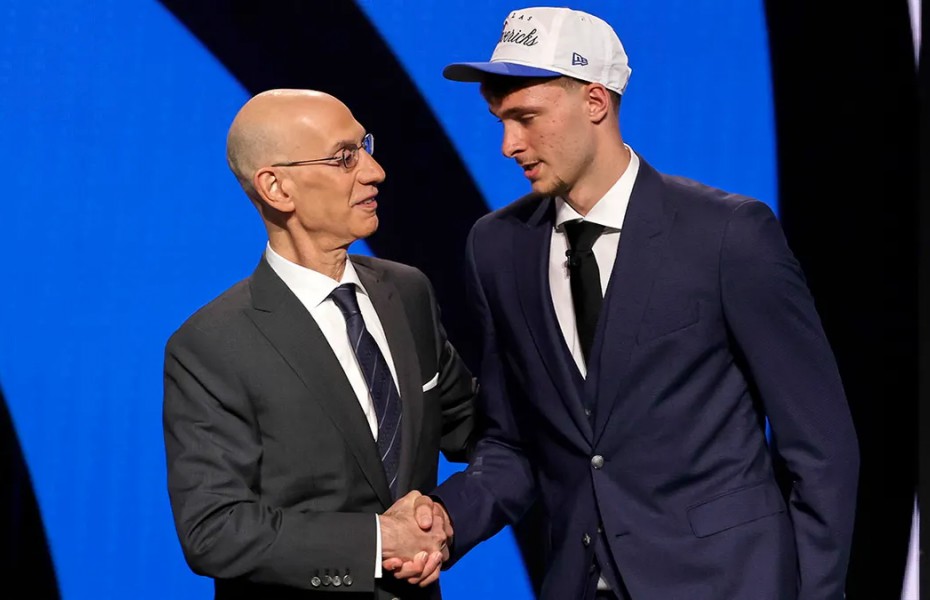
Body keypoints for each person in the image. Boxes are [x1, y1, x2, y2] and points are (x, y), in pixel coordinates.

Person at [391, 6, 860, 600]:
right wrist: (445, 519)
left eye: (526, 118)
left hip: (727, 582)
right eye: (500, 121)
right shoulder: (497, 247)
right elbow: (513, 441)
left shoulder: (727, 234)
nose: (509, 145)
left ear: (595, 101)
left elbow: (819, 447)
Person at [163, 89, 475, 599]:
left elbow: (481, 431)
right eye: (345, 157)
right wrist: (377, 541)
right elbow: (215, 530)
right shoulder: (211, 346)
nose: (375, 172)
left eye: (365, 147)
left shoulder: (408, 294)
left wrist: (446, 516)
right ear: (277, 188)